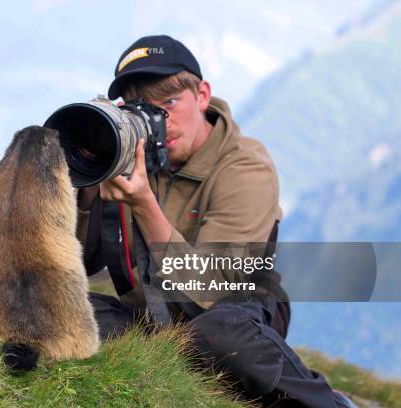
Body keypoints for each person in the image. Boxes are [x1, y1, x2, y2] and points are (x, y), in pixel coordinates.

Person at [76, 35, 356, 407]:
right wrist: (88, 179)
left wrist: (144, 204)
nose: (159, 120)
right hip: (152, 310)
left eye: (170, 102)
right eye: (141, 109)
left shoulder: (245, 165)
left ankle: (329, 402)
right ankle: (192, 373)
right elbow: (80, 262)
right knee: (67, 312)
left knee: (220, 335)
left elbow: (212, 287)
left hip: (238, 309)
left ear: (202, 95)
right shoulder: (132, 160)